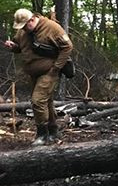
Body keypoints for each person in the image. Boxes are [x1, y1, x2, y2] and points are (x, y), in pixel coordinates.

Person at [3, 8, 73, 146]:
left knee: (37, 101)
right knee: (46, 102)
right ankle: (53, 131)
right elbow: (20, 47)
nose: (22, 29)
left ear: (32, 19)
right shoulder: (23, 31)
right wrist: (13, 47)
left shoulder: (52, 27)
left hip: (49, 71)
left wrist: (56, 68)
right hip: (33, 72)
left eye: (24, 26)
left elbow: (67, 47)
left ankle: (42, 134)